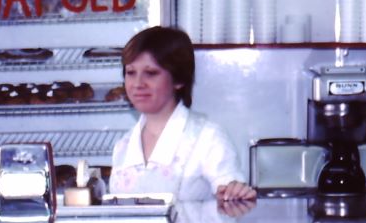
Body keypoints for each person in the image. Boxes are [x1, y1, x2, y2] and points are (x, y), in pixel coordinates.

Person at [110, 26, 256, 208]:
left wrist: (236, 193)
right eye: (131, 73)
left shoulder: (207, 138)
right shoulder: (123, 146)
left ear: (179, 80)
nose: (138, 84)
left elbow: (232, 199)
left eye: (151, 73)